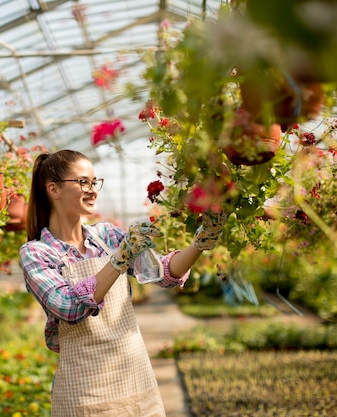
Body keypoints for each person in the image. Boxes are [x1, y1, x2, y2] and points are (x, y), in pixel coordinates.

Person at [19, 150, 227, 417]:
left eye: (95, 182)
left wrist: (201, 242)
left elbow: (161, 273)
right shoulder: (37, 253)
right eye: (83, 182)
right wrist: (117, 260)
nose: (93, 190)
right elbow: (69, 308)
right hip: (85, 392)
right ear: (54, 190)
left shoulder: (106, 236)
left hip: (136, 380)